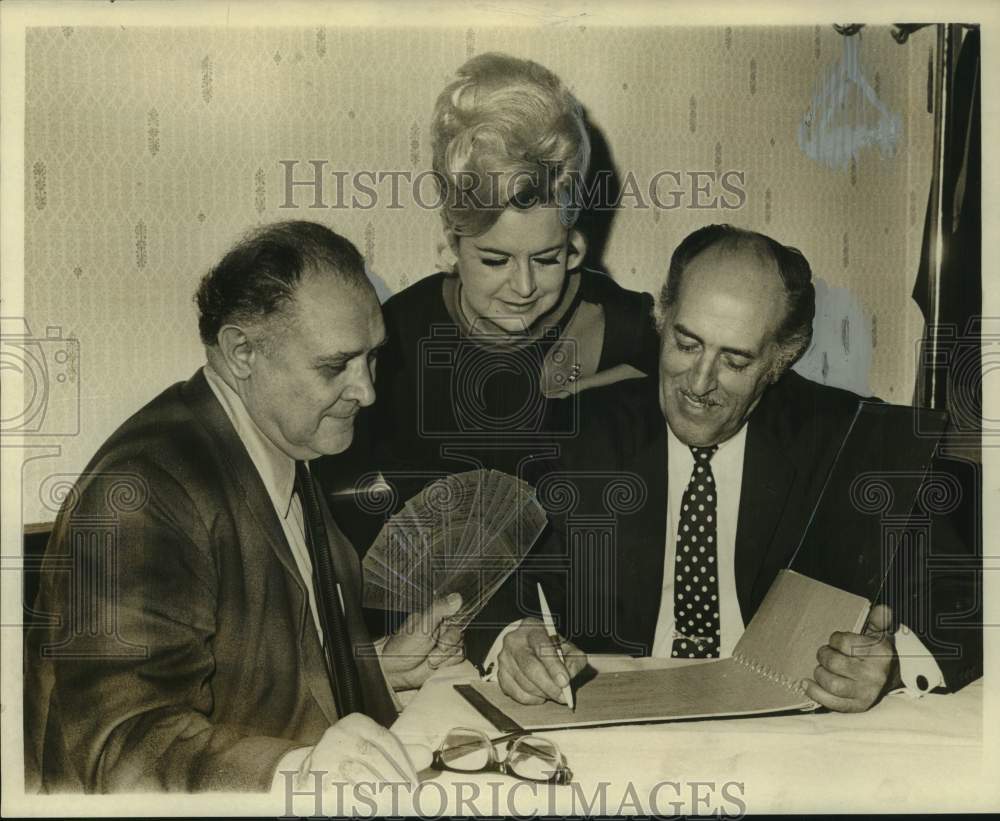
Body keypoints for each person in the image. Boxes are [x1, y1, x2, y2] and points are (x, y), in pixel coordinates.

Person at [23, 221, 464, 793]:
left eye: (372, 357)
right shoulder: (143, 492)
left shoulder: (278, 445)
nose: (367, 390)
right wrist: (299, 774)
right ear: (241, 353)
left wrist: (379, 669)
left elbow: (253, 677)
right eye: (335, 366)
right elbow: (121, 748)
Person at [484, 224, 982, 712]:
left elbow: (968, 605)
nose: (699, 383)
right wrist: (514, 638)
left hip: (789, 739)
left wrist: (892, 665)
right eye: (686, 343)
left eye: (736, 362)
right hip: (616, 729)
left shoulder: (853, 440)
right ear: (662, 316)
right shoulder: (577, 433)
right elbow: (488, 576)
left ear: (781, 360)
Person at [313, 53, 659, 578]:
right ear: (451, 244)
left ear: (576, 244)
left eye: (547, 259)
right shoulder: (398, 337)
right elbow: (352, 511)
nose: (523, 287)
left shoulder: (624, 323)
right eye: (495, 260)